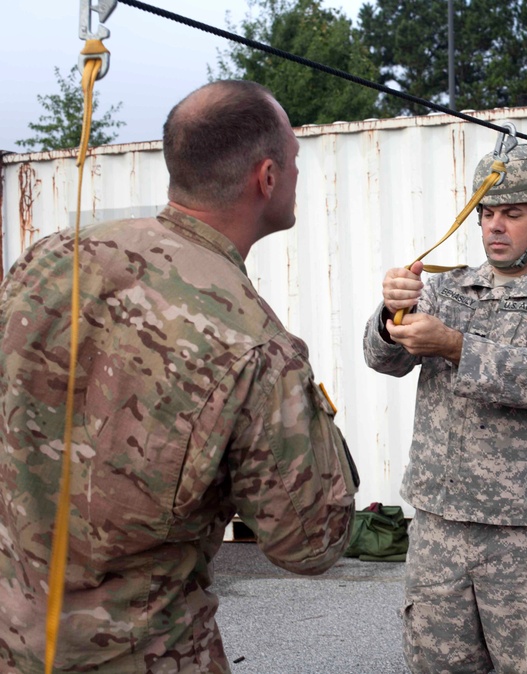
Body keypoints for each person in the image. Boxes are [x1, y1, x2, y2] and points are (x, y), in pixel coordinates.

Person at [0, 80, 359, 673]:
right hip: (144, 654)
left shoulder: (48, 257)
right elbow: (311, 542)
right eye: (295, 160)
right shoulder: (255, 344)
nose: (296, 173)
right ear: (267, 177)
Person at [363, 143, 527, 673]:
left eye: (513, 214)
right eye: (488, 214)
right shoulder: (448, 289)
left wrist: (456, 347)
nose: (496, 226)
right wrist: (390, 310)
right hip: (441, 525)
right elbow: (383, 360)